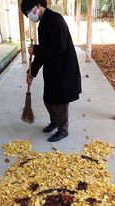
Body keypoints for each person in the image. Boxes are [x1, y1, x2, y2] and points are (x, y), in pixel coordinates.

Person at [21, 0, 82, 142]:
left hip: (64, 68)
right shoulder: (43, 24)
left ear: (38, 6)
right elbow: (43, 53)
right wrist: (32, 72)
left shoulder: (56, 20)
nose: (29, 16)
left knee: (61, 102)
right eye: (27, 14)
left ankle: (63, 130)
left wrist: (36, 49)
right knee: (48, 99)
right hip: (53, 68)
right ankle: (54, 122)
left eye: (29, 12)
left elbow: (59, 46)